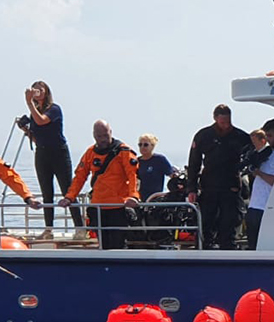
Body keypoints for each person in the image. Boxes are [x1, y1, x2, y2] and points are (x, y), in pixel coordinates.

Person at [59, 120, 140, 250]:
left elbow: (133, 176)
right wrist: (69, 197)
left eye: (105, 135)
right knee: (103, 245)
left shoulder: (123, 152)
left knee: (118, 244)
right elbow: (80, 177)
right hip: (98, 207)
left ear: (111, 133)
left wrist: (133, 196)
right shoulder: (90, 153)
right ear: (94, 135)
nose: (103, 139)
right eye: (99, 136)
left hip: (118, 207)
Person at [20, 80, 83, 239]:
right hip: (42, 153)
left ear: (46, 92)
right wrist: (26, 130)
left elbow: (42, 121)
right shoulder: (34, 112)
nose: (37, 92)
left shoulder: (54, 109)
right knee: (46, 192)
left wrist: (29, 103)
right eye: (35, 89)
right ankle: (48, 229)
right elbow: (37, 137)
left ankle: (80, 228)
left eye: (40, 89)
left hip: (59, 153)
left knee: (67, 190)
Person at [186, 104, 252, 249]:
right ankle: (204, 250)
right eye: (222, 122)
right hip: (209, 186)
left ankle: (228, 250)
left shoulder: (240, 136)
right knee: (207, 222)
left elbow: (252, 159)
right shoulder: (204, 135)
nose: (226, 125)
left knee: (229, 223)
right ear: (215, 119)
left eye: (228, 122)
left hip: (231, 186)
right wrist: (191, 188)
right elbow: (194, 163)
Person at [245, 119, 274, 250]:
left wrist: (259, 173)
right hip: (256, 205)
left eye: (270, 136)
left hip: (266, 208)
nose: (267, 140)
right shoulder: (270, 153)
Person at [136, 134, 175, 199]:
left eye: (145, 145)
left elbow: (172, 176)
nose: (142, 147)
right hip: (140, 198)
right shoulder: (137, 161)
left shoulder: (159, 159)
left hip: (155, 198)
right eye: (140, 145)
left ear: (152, 146)